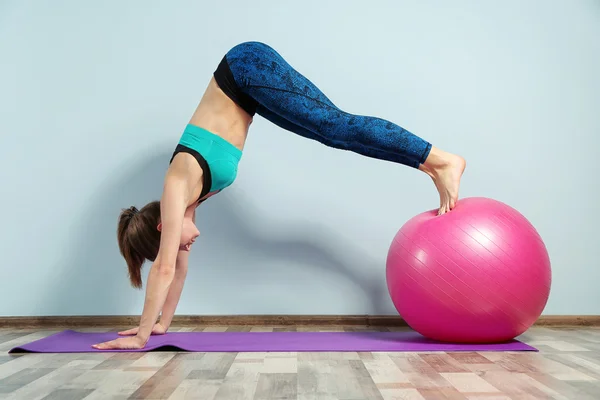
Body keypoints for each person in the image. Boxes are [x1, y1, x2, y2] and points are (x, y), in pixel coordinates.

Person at [92, 41, 465, 350]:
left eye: (179, 243)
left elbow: (165, 268)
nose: (192, 243)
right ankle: (431, 166)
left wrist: (139, 336)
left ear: (163, 225)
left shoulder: (177, 185)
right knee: (335, 133)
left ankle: (441, 159)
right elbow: (178, 274)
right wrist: (160, 326)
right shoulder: (192, 201)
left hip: (245, 66)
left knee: (336, 126)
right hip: (247, 88)